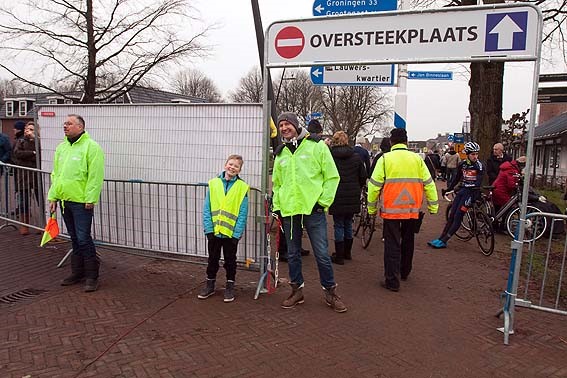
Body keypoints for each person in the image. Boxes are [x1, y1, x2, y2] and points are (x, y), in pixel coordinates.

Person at [272, 112, 346, 313]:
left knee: (322, 254)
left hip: (313, 211)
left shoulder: (317, 146)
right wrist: (277, 207)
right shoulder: (281, 153)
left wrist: (322, 202)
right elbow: (277, 185)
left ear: (296, 125)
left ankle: (330, 292)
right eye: (281, 125)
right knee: (293, 254)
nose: (284, 128)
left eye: (288, 124)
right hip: (290, 212)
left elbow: (332, 177)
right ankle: (297, 291)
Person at [368, 128, 438, 291]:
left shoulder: (385, 160)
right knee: (408, 241)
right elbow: (429, 184)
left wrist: (371, 209)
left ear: (391, 142)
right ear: (406, 142)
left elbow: (373, 187)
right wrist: (433, 206)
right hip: (412, 208)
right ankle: (405, 271)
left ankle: (392, 281)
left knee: (392, 244)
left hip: (391, 210)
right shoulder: (417, 159)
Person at [48, 114, 105, 292]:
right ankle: (77, 272)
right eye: (65, 123)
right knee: (74, 238)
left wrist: (90, 198)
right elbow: (56, 174)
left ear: (80, 127)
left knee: (83, 238)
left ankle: (92, 276)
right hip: (65, 201)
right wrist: (53, 196)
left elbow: (95, 176)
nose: (65, 126)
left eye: (69, 124)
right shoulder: (62, 148)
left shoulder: (91, 147)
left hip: (81, 203)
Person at [198, 154, 249, 303]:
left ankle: (230, 286)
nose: (232, 167)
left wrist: (236, 234)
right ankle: (210, 285)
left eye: (236, 166)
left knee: (230, 261)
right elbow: (207, 208)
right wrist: (209, 230)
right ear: (225, 164)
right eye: (230, 164)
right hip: (214, 232)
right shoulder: (213, 184)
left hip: (230, 234)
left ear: (239, 170)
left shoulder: (242, 187)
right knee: (212, 260)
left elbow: (242, 212)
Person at [428, 142, 484, 249]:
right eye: (473, 154)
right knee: (452, 216)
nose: (475, 156)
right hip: (463, 192)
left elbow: (478, 182)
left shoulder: (479, 166)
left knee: (458, 216)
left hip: (471, 194)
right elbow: (456, 179)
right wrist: (448, 189)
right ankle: (441, 238)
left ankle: (444, 240)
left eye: (476, 154)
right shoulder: (462, 165)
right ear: (467, 154)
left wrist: (468, 186)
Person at [329, 131, 367, 264]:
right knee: (348, 223)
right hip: (352, 195)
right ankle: (347, 253)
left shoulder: (330, 157)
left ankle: (339, 256)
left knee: (338, 224)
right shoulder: (356, 157)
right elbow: (363, 176)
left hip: (336, 194)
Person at [12, 121, 39, 235]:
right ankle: (24, 225)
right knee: (23, 202)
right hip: (23, 176)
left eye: (32, 129)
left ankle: (41, 225)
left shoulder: (39, 142)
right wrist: (32, 153)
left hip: (37, 177)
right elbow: (17, 154)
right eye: (27, 129)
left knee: (40, 202)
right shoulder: (21, 141)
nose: (28, 132)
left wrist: (32, 152)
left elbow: (40, 155)